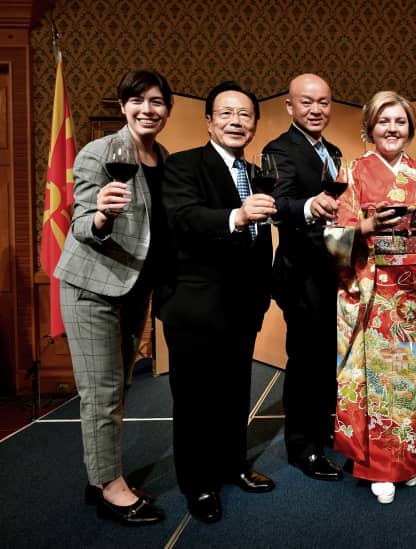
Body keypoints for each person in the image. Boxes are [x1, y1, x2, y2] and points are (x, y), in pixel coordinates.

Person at [54, 70, 172, 526]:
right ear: (123, 105)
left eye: (157, 101)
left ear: (167, 110)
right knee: (102, 392)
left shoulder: (163, 157)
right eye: (138, 100)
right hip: (91, 287)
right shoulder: (100, 152)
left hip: (132, 288)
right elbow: (81, 224)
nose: (148, 109)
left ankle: (101, 475)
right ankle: (109, 488)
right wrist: (102, 214)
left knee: (120, 386)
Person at [160, 81, 277, 524]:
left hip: (243, 305)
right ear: (208, 121)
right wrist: (237, 215)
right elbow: (184, 217)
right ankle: (198, 484)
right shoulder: (185, 165)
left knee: (233, 392)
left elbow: (260, 237)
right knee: (194, 400)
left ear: (254, 124)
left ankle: (233, 466)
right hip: (196, 304)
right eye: (226, 113)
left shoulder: (254, 170)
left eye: (245, 115)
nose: (236, 121)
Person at [324, 91, 416, 505]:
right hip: (374, 290)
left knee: (410, 380)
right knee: (380, 380)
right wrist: (366, 226)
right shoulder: (353, 170)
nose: (392, 129)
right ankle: (379, 466)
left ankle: (411, 458)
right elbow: (332, 238)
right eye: (383, 122)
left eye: (400, 122)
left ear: (410, 128)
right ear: (370, 127)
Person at [262, 73, 344, 482]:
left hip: (334, 271)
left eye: (324, 102)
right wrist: (311, 206)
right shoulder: (277, 150)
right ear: (290, 106)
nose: (316, 110)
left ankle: (324, 427)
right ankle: (302, 447)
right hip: (301, 274)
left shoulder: (334, 151)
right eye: (307, 102)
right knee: (305, 362)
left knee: (328, 360)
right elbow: (278, 206)